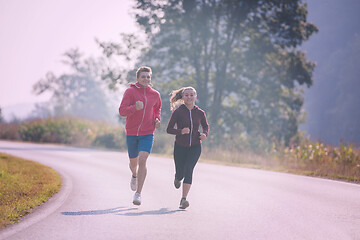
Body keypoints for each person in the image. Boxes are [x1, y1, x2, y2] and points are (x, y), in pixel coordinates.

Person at [119, 66, 161, 206]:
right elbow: (122, 111)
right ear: (137, 78)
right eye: (143, 77)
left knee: (143, 160)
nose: (146, 79)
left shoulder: (155, 94)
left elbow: (157, 108)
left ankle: (138, 194)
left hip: (147, 133)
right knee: (133, 163)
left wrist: (157, 119)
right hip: (131, 133)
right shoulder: (130, 92)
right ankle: (134, 175)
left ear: (150, 79)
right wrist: (133, 108)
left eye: (148, 77)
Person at [166, 86, 209, 209]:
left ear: (195, 97)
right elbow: (169, 129)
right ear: (183, 97)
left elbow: (206, 126)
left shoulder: (200, 113)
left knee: (189, 169)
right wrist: (181, 131)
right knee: (181, 172)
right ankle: (177, 177)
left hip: (195, 146)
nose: (189, 97)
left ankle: (183, 199)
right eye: (187, 95)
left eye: (192, 95)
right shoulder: (178, 112)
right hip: (180, 147)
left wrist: (204, 134)